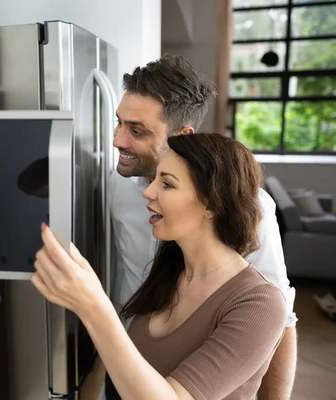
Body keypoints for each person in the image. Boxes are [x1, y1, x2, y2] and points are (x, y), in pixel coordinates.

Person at [31, 133, 288, 400]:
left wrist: (94, 307)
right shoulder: (171, 268)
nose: (148, 191)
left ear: (211, 203)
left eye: (166, 184)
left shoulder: (260, 304)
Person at [107, 55, 297, 399]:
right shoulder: (117, 187)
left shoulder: (251, 209)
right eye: (118, 123)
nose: (118, 141)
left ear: (183, 136)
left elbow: (278, 322)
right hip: (125, 364)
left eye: (137, 131)